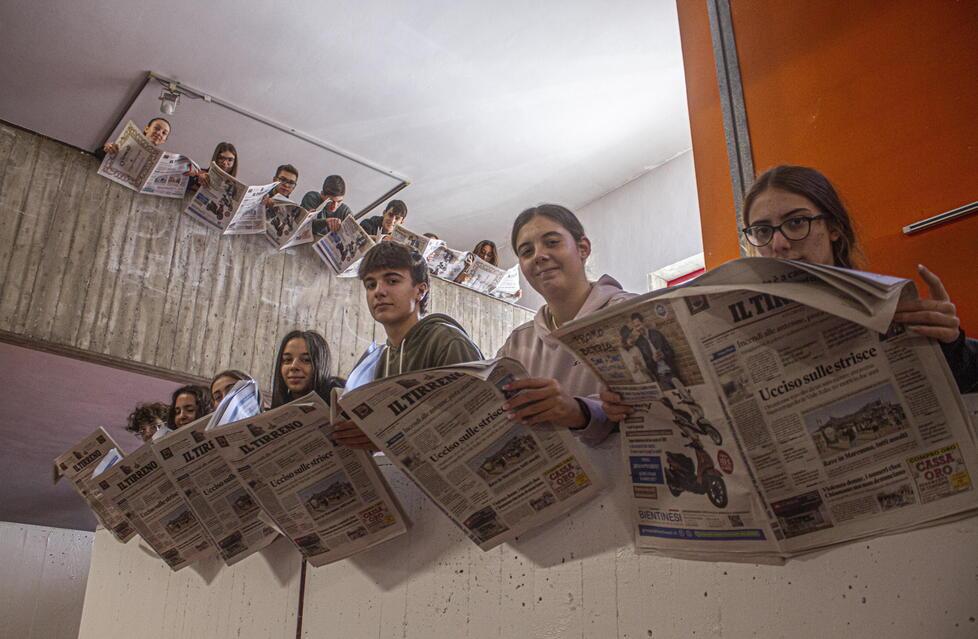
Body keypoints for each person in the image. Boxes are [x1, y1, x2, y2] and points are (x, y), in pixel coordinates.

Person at [602, 164, 977, 423]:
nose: (779, 243)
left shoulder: (891, 308)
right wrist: (632, 408)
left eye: (796, 222)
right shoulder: (730, 328)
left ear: (833, 228)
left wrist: (951, 346)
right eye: (762, 231)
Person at [495, 204, 635, 447]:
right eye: (527, 251)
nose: (539, 255)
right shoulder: (517, 344)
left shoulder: (630, 314)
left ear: (583, 248)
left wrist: (578, 411)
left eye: (551, 242)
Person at [332, 242, 483, 448]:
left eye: (392, 280)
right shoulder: (379, 359)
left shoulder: (447, 341)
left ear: (420, 291)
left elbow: (476, 426)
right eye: (370, 284)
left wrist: (387, 439)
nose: (379, 291)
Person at [271, 330, 345, 408]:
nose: (293, 366)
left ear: (320, 364)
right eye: (287, 360)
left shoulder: (340, 393)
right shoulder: (280, 406)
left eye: (306, 360)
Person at [100, 118, 171, 156]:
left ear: (164, 140)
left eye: (164, 133)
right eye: (157, 128)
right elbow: (97, 155)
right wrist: (106, 149)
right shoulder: (124, 143)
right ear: (146, 129)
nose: (159, 133)